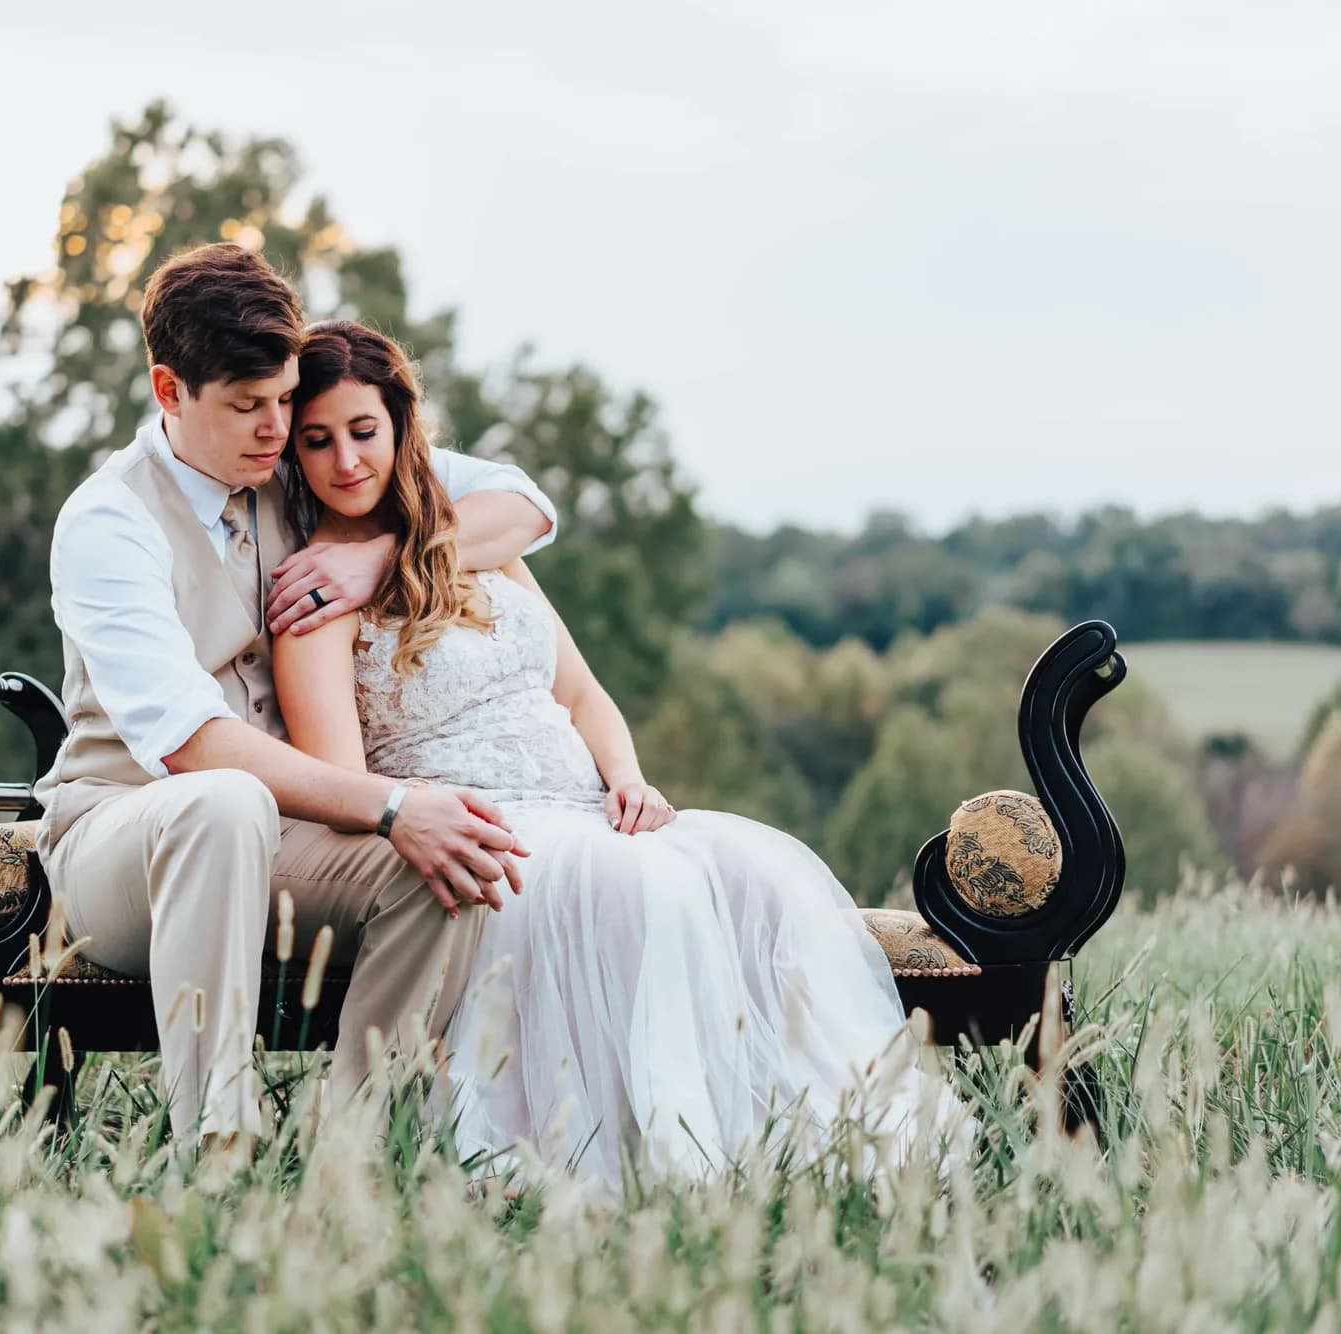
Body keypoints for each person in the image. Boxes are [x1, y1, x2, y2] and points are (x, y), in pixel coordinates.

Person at [273, 320, 970, 1185]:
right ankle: (664, 1166)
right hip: (484, 829)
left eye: (363, 431)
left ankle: (799, 1152)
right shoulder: (312, 595)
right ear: (292, 454)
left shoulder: (476, 549)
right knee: (648, 890)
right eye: (318, 440)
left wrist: (630, 780)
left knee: (753, 879)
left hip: (588, 803)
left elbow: (581, 694)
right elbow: (345, 781)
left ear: (403, 429)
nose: (345, 460)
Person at [32, 244, 558, 1151]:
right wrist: (395, 805)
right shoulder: (108, 520)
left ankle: (356, 1149)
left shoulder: (293, 462)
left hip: (282, 840)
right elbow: (191, 745)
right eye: (247, 408)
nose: (278, 429)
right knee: (224, 800)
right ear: (169, 389)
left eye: (283, 400)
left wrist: (379, 553)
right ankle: (219, 1146)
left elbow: (523, 503)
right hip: (124, 843)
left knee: (449, 868)